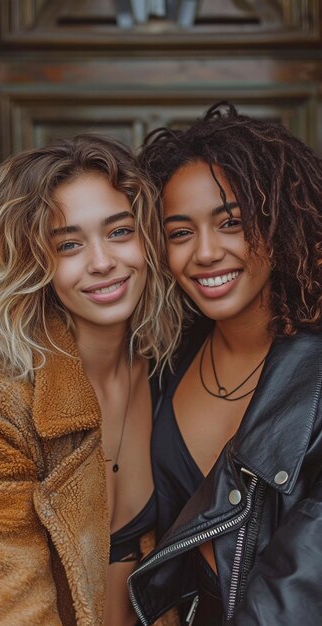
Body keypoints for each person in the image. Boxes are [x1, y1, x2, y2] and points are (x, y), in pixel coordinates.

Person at [128, 102, 322, 625]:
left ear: (281, 224)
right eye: (180, 232)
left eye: (231, 223)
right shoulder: (166, 363)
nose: (206, 253)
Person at [0, 133, 176, 626]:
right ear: (34, 263)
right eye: (68, 244)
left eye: (120, 232)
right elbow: (7, 602)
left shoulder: (172, 366)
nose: (102, 261)